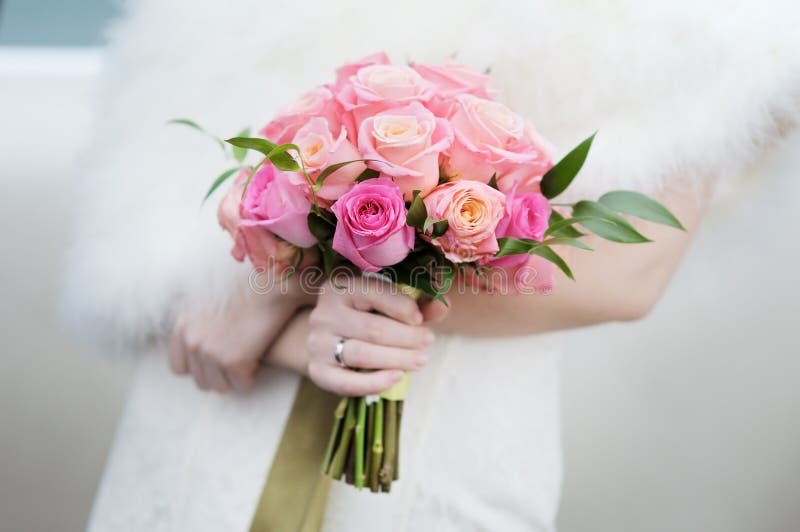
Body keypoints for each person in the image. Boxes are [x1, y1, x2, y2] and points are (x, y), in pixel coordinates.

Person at [62, 1, 800, 531]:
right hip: (196, 418)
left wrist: (285, 283)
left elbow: (627, 268)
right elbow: (140, 223)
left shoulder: (710, 24)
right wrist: (251, 302)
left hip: (436, 438)